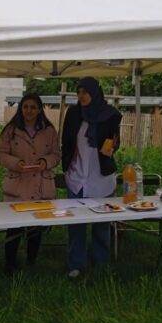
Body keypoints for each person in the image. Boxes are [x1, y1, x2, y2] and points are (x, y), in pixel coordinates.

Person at [61, 77, 122, 278]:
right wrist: (67, 165)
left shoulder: (110, 114)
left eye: (85, 92)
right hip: (77, 177)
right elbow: (67, 142)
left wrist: (112, 147)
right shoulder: (73, 113)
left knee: (102, 224)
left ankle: (101, 261)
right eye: (78, 92)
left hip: (101, 177)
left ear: (95, 93)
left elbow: (116, 140)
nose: (81, 96)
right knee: (76, 223)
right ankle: (75, 264)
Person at [0, 93, 61, 272]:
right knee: (13, 227)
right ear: (20, 108)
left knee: (36, 228)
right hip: (18, 185)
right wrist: (16, 163)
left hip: (41, 184)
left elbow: (57, 155)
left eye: (33, 107)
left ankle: (32, 262)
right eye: (25, 107)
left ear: (40, 109)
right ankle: (10, 264)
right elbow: (0, 155)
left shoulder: (49, 130)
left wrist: (45, 162)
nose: (29, 111)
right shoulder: (10, 130)